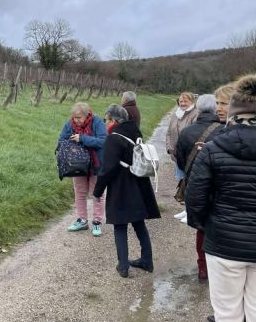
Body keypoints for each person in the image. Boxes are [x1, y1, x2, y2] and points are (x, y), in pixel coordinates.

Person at [186, 74, 256, 322]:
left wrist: (210, 227)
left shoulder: (212, 150)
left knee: (227, 317)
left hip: (223, 246)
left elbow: (195, 200)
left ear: (232, 115)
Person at [93, 104, 161, 278]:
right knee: (139, 223)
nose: (105, 123)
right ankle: (147, 260)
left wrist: (98, 191)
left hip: (121, 186)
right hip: (138, 183)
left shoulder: (113, 138)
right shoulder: (135, 132)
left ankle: (123, 266)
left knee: (120, 225)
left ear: (113, 120)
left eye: (106, 119)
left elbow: (107, 169)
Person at [175, 94, 223, 281]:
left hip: (195, 185)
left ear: (199, 109)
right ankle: (219, 268)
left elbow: (180, 160)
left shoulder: (187, 131)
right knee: (219, 225)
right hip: (219, 186)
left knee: (201, 228)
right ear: (216, 108)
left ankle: (203, 267)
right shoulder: (224, 131)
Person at [58, 102, 107, 236]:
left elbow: (103, 141)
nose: (76, 121)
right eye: (74, 117)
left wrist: (82, 138)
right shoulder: (70, 125)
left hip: (96, 164)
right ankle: (82, 220)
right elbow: (61, 140)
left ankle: (97, 222)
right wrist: (71, 145)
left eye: (79, 118)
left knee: (97, 193)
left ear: (87, 115)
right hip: (77, 164)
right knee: (79, 192)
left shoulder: (97, 122)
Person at [166, 92, 198, 222]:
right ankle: (186, 209)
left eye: (185, 101)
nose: (182, 103)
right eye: (181, 101)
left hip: (188, 156)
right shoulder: (176, 114)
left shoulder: (195, 115)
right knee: (181, 181)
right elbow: (169, 133)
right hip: (176, 155)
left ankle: (190, 212)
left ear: (192, 102)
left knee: (189, 183)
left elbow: (193, 135)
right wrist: (169, 148)